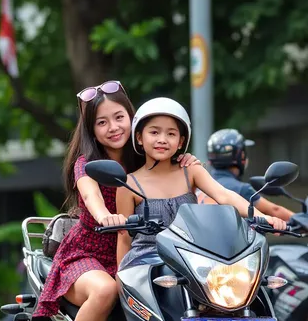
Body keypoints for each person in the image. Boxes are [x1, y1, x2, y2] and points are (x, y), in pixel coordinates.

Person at [33, 82, 198, 321]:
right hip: (87, 254)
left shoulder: (149, 157)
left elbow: (188, 186)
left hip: (141, 254)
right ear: (92, 130)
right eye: (102, 122)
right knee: (106, 289)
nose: (114, 127)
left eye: (119, 117)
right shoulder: (87, 164)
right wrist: (106, 214)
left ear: (133, 118)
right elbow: (91, 196)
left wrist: (189, 165)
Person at [116, 99, 286, 270]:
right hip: (146, 263)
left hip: (192, 259)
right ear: (139, 137)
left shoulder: (190, 170)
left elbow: (224, 195)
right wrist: (120, 281)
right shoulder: (128, 184)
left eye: (171, 134)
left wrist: (263, 217)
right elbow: (124, 237)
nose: (162, 139)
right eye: (154, 132)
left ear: (181, 142)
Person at [197, 128, 293, 221]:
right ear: (240, 156)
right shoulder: (241, 189)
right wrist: (304, 221)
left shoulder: (200, 185)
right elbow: (274, 210)